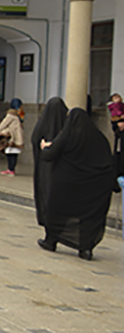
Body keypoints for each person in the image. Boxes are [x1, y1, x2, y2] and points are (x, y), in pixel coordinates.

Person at [37, 108, 117, 260]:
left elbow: (49, 155)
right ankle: (86, 248)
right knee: (89, 217)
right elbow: (109, 162)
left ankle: (51, 240)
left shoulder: (68, 136)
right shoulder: (100, 138)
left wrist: (44, 147)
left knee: (57, 211)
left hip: (68, 185)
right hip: (95, 188)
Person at [31, 97, 68, 229]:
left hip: (44, 170)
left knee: (45, 195)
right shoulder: (66, 129)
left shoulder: (42, 126)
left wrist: (45, 148)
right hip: (62, 172)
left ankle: (48, 225)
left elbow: (35, 139)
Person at [0, 98, 25, 176]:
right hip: (17, 138)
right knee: (14, 155)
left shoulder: (11, 115)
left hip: (11, 138)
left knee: (10, 154)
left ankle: (10, 169)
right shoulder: (20, 115)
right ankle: (12, 169)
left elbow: (3, 125)